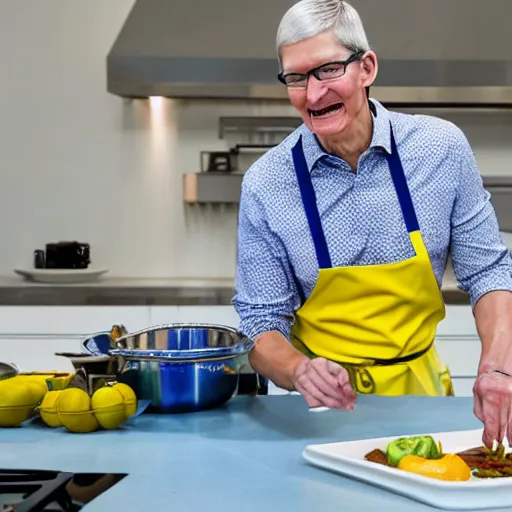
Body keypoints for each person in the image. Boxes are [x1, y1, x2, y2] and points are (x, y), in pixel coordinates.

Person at [232, 0, 512, 447]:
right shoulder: (267, 182)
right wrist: (300, 370)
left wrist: (498, 368)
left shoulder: (440, 149)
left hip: (422, 401)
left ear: (366, 67)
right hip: (315, 412)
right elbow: (261, 322)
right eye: (296, 77)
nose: (312, 93)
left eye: (327, 70)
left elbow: (490, 272)